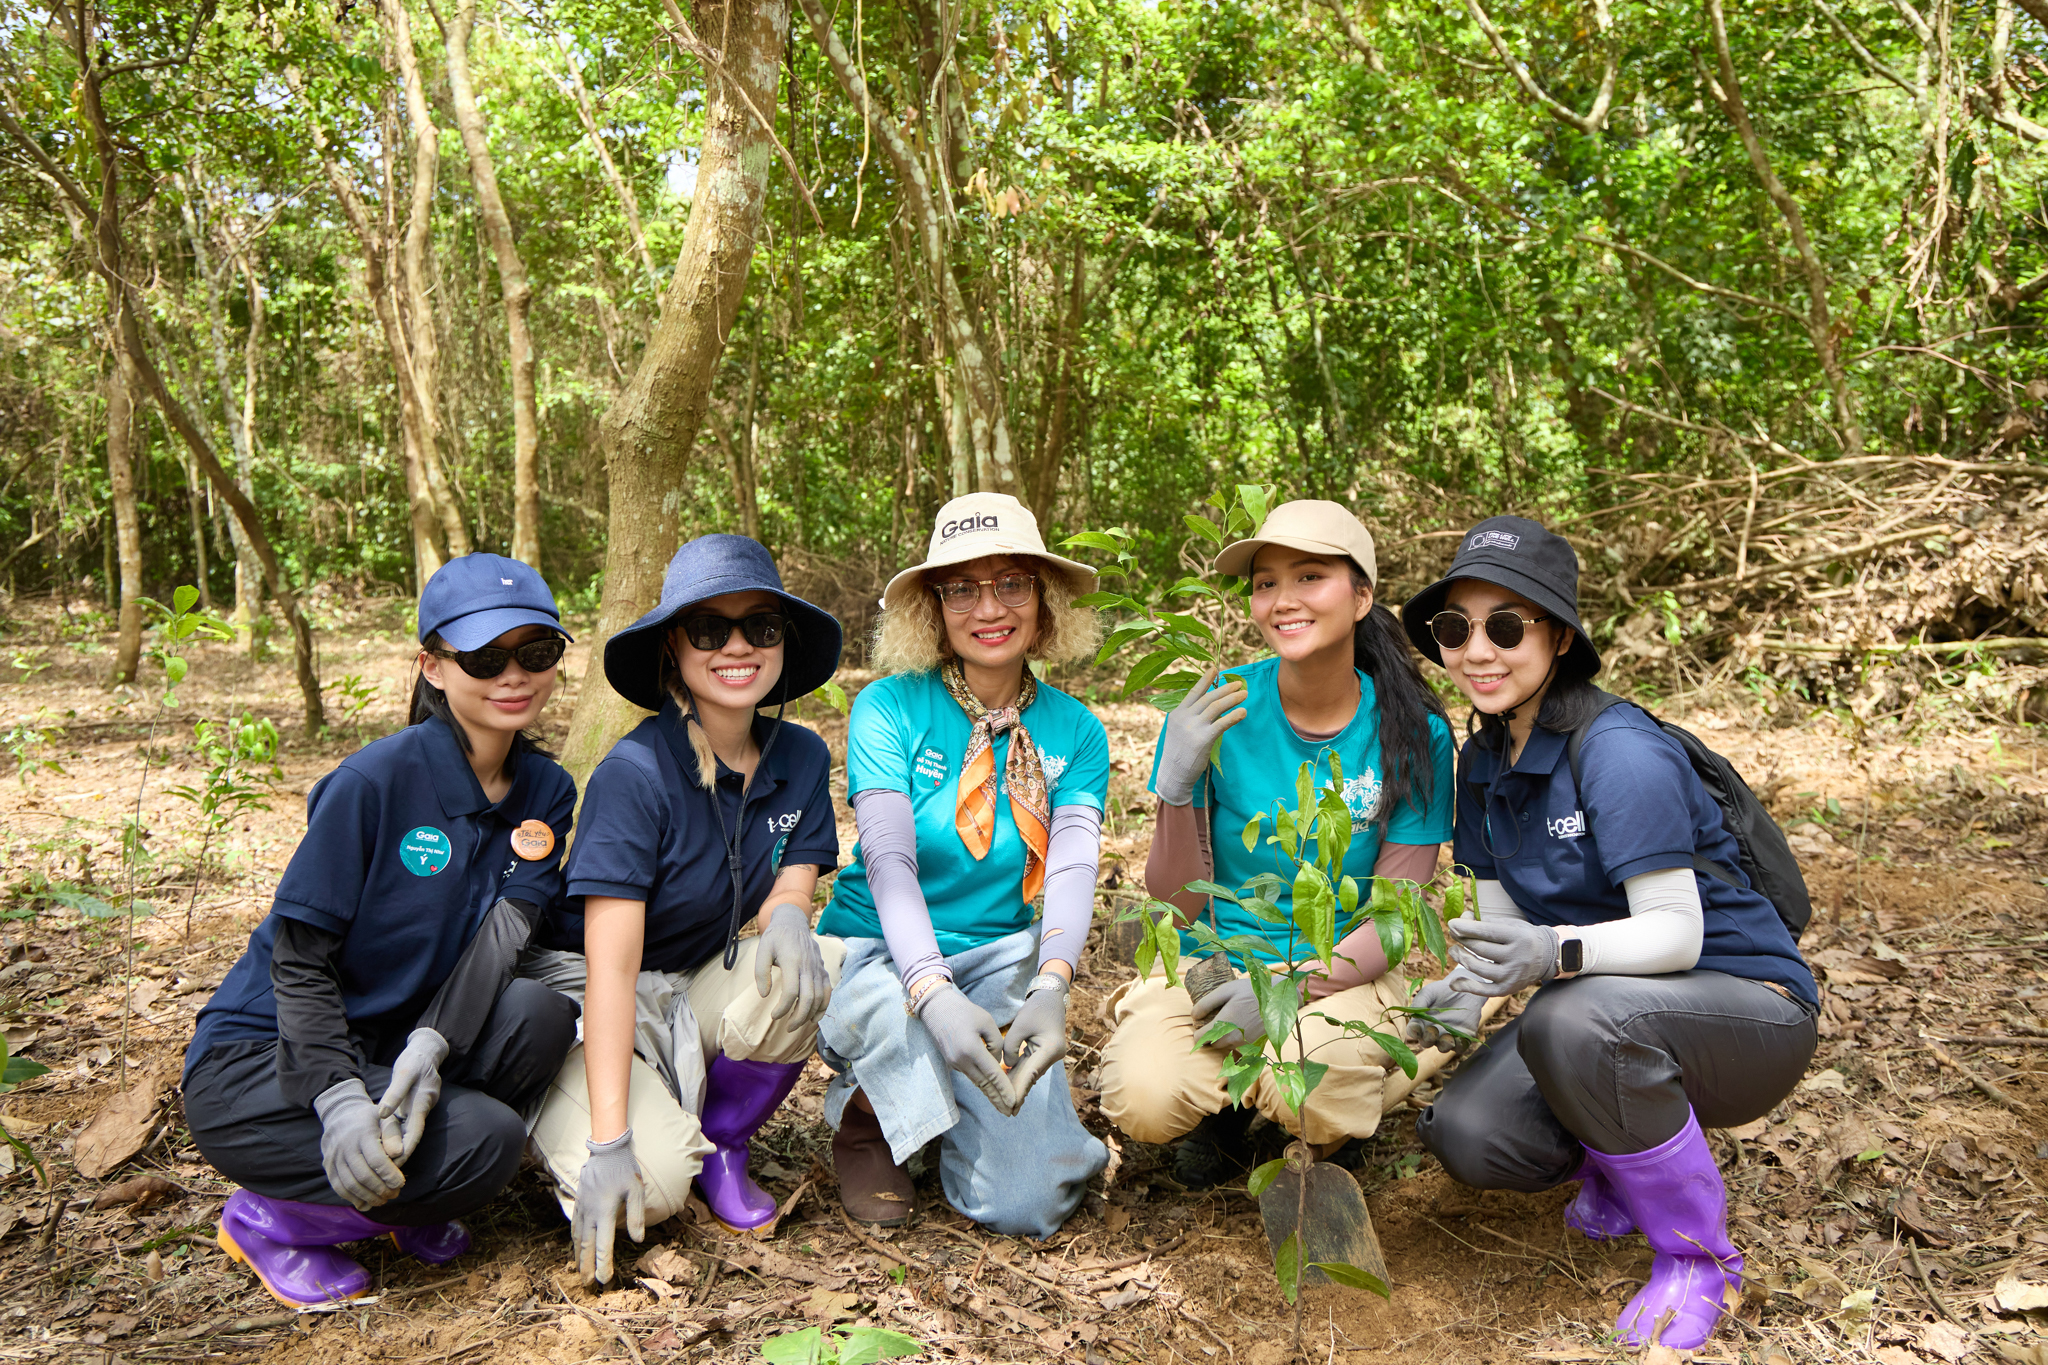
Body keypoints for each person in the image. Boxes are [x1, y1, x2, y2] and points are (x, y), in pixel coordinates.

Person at [1396, 516, 1818, 1351]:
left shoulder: (1619, 749)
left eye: (1507, 626)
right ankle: (1622, 1161)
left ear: (1557, 637)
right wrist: (1468, 986)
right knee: (1469, 1133)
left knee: (1570, 1018)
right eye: (1455, 628)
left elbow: (1675, 933)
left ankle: (1698, 1257)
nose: (1478, 649)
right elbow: (1501, 925)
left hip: (1748, 1008)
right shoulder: (1480, 761)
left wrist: (1551, 955)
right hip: (1608, 1004)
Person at [182, 554, 580, 1308]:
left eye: (536, 652)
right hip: (266, 1057)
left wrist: (432, 1046)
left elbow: (504, 935)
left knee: (540, 1013)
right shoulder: (373, 782)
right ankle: (274, 1218)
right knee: (487, 1141)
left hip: (395, 1040)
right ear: (432, 666)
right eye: (486, 657)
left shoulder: (547, 791)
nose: (514, 675)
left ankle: (402, 1199)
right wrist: (335, 1095)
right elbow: (299, 961)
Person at [1097, 500, 1461, 1187]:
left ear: (1361, 597)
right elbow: (1176, 899)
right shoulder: (1221, 707)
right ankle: (1225, 1108)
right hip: (1217, 960)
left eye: (1310, 577)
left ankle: (1315, 1110)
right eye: (1266, 583)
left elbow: (1391, 921)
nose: (1282, 600)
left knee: (1319, 1090)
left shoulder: (1414, 733)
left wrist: (1283, 992)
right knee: (1141, 1096)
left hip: (1337, 969)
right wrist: (1175, 786)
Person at [521, 535, 844, 1283]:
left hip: (688, 981)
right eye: (709, 629)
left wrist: (791, 910)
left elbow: (793, 879)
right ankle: (571, 1126)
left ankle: (723, 1143)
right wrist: (610, 1141)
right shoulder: (635, 774)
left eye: (760, 627)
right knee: (652, 1188)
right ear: (675, 646)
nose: (737, 646)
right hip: (593, 995)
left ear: (783, 643)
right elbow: (610, 969)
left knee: (818, 960)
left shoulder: (799, 757)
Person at [816, 493, 1109, 1236]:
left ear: (1043, 601)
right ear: (933, 605)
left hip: (998, 955)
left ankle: (943, 1108)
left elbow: (1073, 864)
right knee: (899, 1016)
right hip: (878, 949)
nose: (990, 607)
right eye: (962, 588)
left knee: (1024, 1200)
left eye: (1012, 582)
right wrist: (929, 988)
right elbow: (888, 859)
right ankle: (867, 1115)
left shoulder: (1075, 730)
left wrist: (1052, 982)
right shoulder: (889, 707)